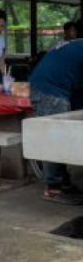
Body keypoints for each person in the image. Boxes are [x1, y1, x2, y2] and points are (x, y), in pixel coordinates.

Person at [28, 40, 83, 205]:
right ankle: (53, 188)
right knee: (55, 137)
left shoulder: (78, 44)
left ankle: (63, 181)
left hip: (50, 85)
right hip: (50, 90)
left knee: (62, 136)